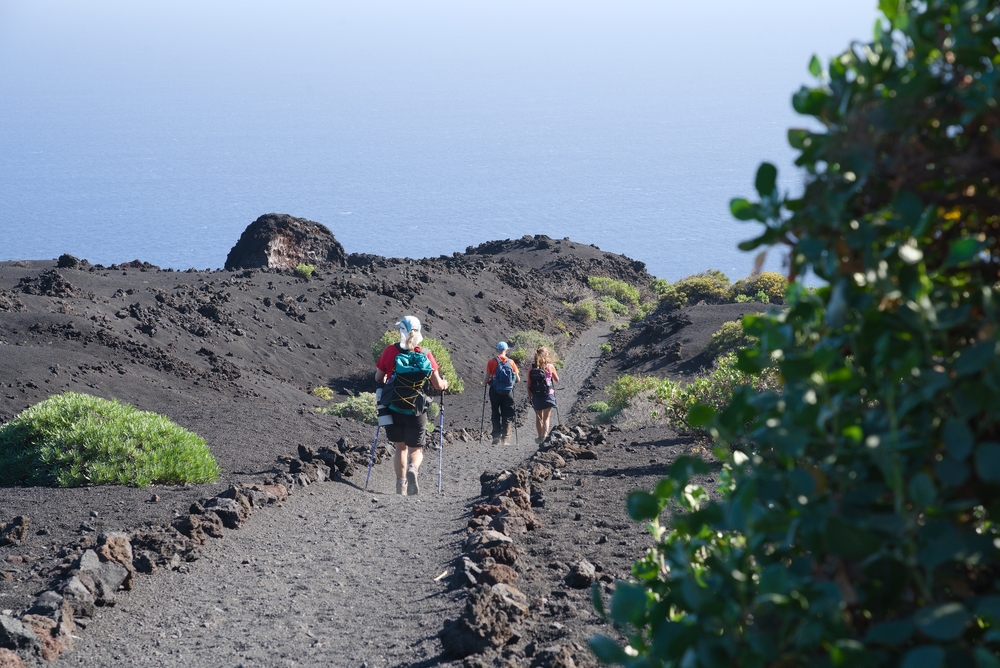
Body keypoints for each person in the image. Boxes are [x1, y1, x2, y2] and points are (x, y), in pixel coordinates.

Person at [375, 316, 448, 495]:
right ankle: (413, 468)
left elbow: (378, 378)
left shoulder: (390, 351)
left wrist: (387, 378)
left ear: (401, 330)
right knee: (416, 449)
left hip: (393, 406)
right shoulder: (425, 354)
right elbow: (438, 385)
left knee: (400, 447)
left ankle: (401, 486)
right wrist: (445, 384)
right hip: (416, 408)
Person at [484, 342, 519, 445]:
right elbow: (518, 379)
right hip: (508, 392)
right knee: (507, 414)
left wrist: (486, 383)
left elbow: (486, 379)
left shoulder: (491, 362)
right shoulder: (511, 362)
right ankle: (506, 439)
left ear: (497, 350)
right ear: (507, 350)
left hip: (495, 391)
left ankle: (496, 436)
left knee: (495, 412)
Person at [527, 347, 560, 444]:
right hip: (547, 395)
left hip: (536, 396)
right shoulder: (550, 366)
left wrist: (529, 398)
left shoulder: (531, 367)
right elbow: (557, 379)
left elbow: (528, 384)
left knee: (539, 417)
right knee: (546, 418)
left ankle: (539, 436)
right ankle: (544, 438)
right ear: (546, 355)